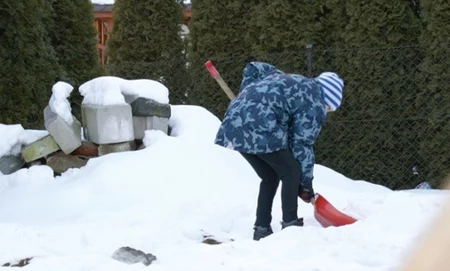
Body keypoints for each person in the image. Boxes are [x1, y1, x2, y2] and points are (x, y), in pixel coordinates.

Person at [214, 61, 344, 241]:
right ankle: (290, 225)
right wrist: (305, 184)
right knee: (291, 171)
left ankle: (262, 229)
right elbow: (301, 143)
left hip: (234, 124)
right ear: (327, 99)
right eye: (328, 109)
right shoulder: (315, 99)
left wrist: (248, 96)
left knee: (270, 176)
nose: (325, 112)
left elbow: (254, 67)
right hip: (259, 126)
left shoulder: (289, 81)